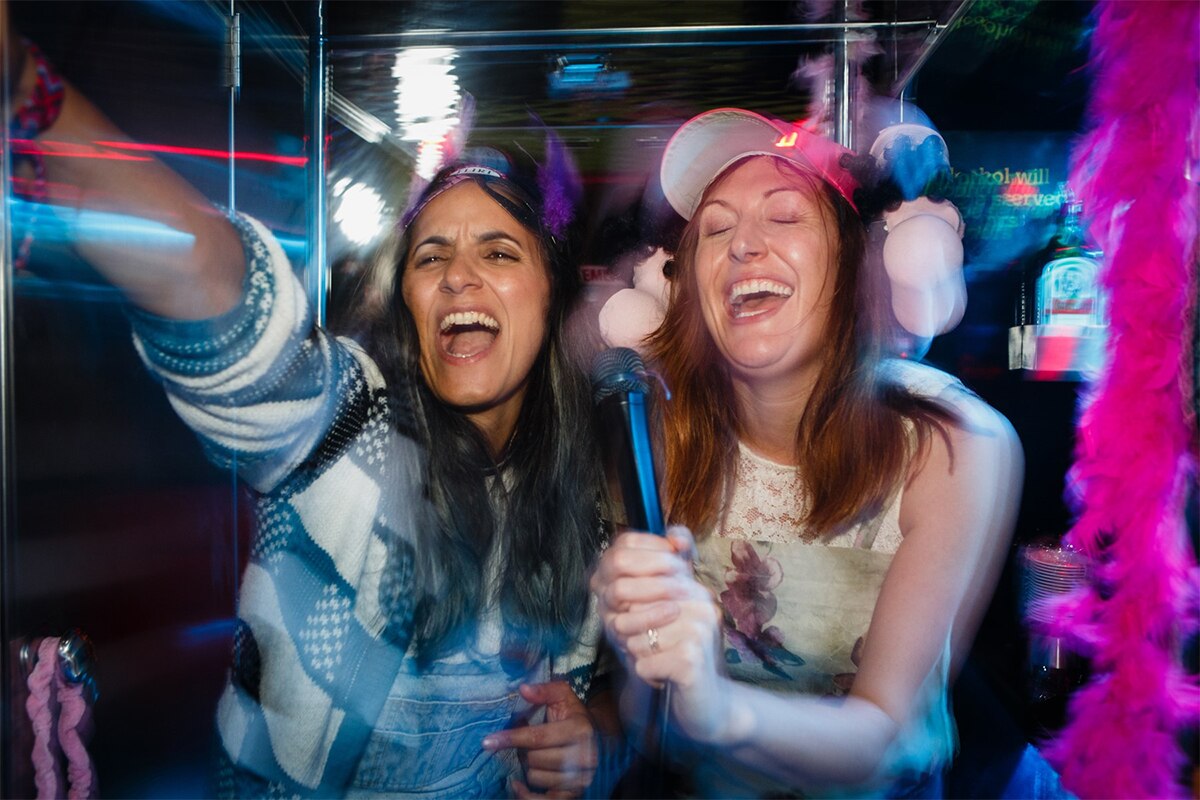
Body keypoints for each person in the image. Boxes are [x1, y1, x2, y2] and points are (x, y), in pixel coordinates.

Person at [7, 30, 619, 799]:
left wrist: (586, 738)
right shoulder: (350, 429)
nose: (459, 275)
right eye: (431, 257)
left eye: (499, 252)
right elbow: (212, 288)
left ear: (553, 294)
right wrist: (29, 93)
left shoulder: (587, 499)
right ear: (408, 305)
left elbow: (604, 698)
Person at [591, 108, 1023, 798]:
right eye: (715, 229)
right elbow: (652, 722)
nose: (742, 246)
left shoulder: (947, 443)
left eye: (785, 216)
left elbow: (887, 738)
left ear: (853, 265)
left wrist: (720, 709)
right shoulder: (655, 442)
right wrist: (625, 686)